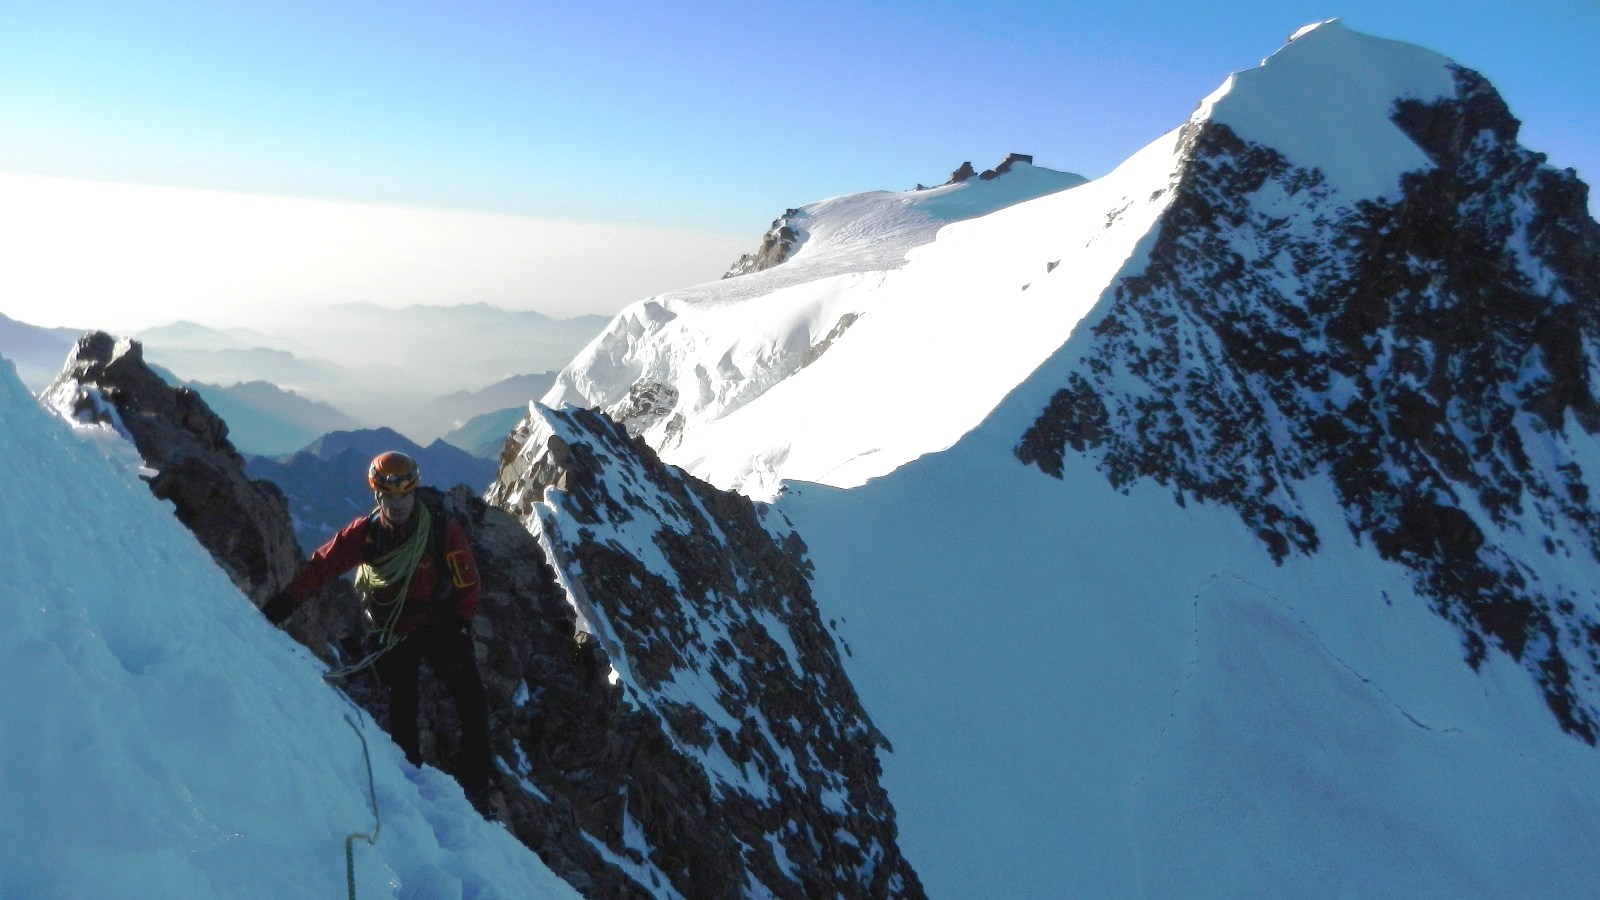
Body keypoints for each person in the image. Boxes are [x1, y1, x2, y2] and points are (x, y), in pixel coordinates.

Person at [263, 451, 492, 807]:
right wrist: (286, 602)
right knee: (403, 703)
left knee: (472, 704)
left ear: (414, 493)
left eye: (404, 496)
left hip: (440, 625)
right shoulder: (366, 534)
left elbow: (469, 584)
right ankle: (410, 778)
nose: (397, 504)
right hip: (395, 628)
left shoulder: (441, 530)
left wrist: (460, 623)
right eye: (389, 496)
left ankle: (477, 789)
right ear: (378, 496)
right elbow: (324, 565)